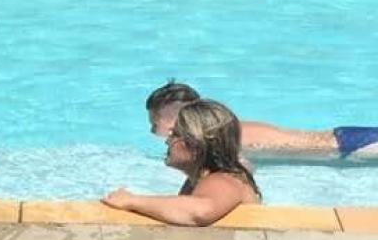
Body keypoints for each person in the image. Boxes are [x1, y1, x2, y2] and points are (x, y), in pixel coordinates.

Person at [104, 98, 261, 226]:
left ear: (196, 143)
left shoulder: (224, 180)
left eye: (175, 134)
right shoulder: (201, 179)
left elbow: (200, 213)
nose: (167, 141)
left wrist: (132, 201)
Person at [146, 81, 378, 161]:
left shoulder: (220, 136)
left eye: (155, 124)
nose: (152, 131)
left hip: (351, 146)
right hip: (346, 140)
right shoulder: (226, 128)